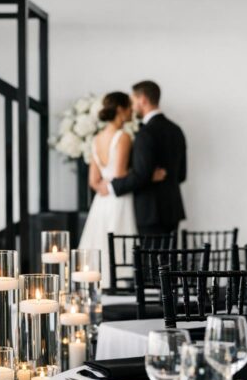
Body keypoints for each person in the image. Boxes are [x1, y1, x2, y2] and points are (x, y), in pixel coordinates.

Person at [78, 91, 165, 287]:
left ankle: (100, 283)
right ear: (120, 110)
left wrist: (104, 187)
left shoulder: (97, 138)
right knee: (119, 241)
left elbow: (93, 180)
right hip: (119, 198)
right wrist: (149, 175)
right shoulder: (122, 136)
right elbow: (120, 175)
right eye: (128, 107)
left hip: (101, 201)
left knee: (101, 240)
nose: (132, 111)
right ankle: (119, 283)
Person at [97, 81, 187, 235]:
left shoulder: (146, 133)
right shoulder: (176, 130)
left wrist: (112, 186)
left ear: (143, 100)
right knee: (168, 258)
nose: (131, 107)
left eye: (133, 101)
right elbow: (181, 175)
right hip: (173, 210)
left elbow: (141, 175)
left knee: (148, 259)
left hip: (149, 212)